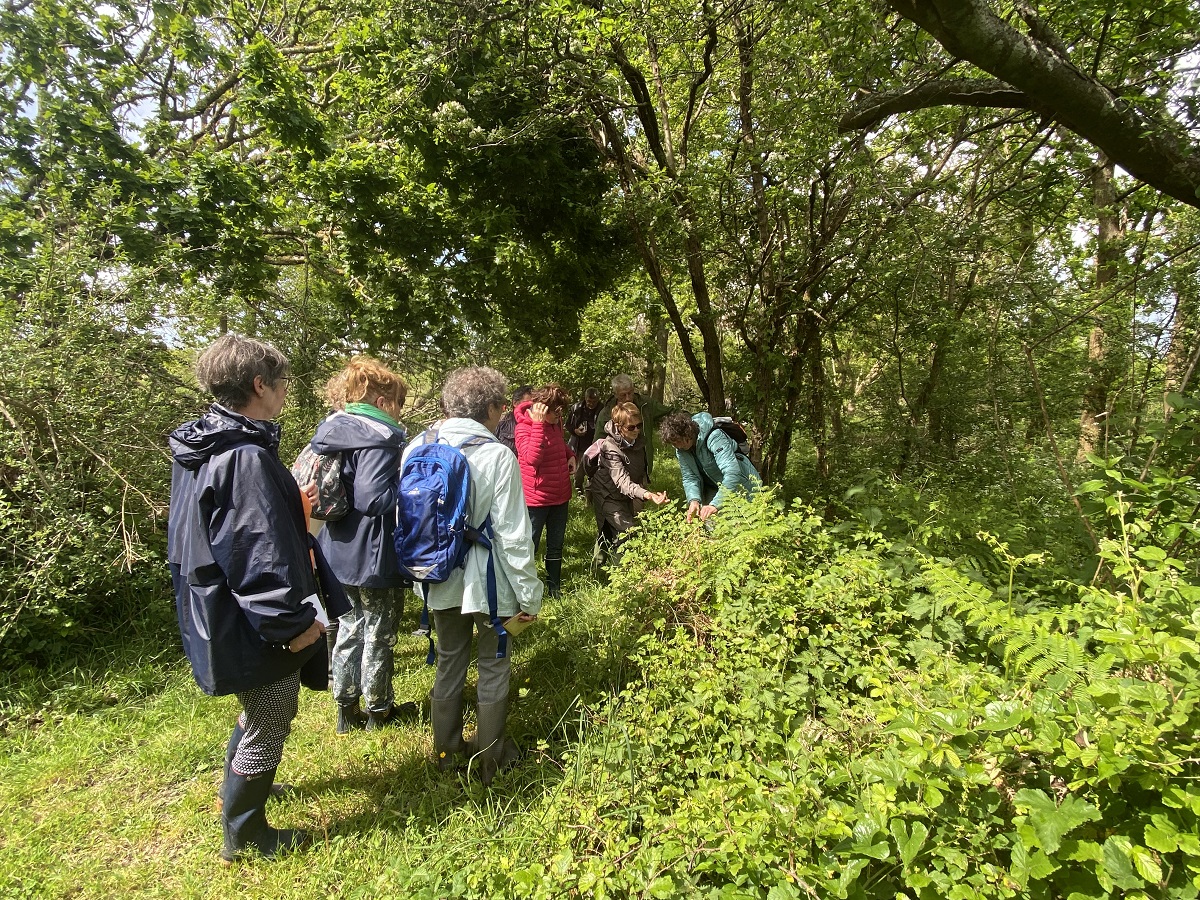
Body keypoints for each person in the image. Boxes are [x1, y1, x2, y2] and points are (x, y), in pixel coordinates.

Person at [168, 334, 324, 863]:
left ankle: (245, 799)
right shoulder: (244, 456)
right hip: (250, 613)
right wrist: (290, 623)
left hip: (217, 603)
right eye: (280, 385)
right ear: (260, 384)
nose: (284, 394)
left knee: (256, 709)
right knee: (270, 713)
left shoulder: (204, 443)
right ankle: (246, 831)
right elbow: (258, 553)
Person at [405, 366, 543, 784]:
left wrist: (419, 581)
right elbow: (514, 537)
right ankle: (491, 759)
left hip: (436, 576)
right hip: (489, 585)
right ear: (493, 408)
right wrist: (530, 596)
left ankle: (447, 754)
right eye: (503, 406)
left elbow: (408, 521)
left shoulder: (417, 445)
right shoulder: (498, 455)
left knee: (449, 663)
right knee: (494, 666)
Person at [310, 357, 413, 733]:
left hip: (336, 546)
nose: (399, 410)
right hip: (373, 550)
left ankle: (344, 709)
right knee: (379, 632)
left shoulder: (333, 427)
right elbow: (372, 498)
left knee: (348, 627)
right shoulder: (380, 435)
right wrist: (408, 491)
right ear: (384, 401)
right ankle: (378, 710)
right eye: (399, 402)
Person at [589, 401, 668, 574]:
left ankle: (600, 571)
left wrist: (644, 488)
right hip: (607, 494)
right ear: (619, 427)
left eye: (639, 426)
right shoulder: (609, 448)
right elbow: (622, 482)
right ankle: (618, 578)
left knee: (611, 532)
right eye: (631, 427)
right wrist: (647, 495)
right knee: (626, 531)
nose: (637, 430)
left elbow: (639, 469)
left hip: (627, 494)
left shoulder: (638, 440)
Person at [514, 384, 574, 597]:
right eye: (555, 411)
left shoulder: (555, 424)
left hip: (560, 495)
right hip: (536, 500)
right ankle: (524, 590)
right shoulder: (523, 427)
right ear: (542, 408)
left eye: (561, 412)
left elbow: (559, 443)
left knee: (556, 545)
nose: (559, 416)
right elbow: (532, 458)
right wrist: (538, 425)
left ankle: (554, 588)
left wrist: (570, 455)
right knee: (530, 545)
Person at [660, 411, 761, 522]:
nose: (677, 446)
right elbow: (690, 477)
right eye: (673, 444)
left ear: (687, 435)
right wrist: (694, 500)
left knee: (749, 524)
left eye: (678, 442)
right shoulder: (681, 450)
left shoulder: (714, 437)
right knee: (713, 526)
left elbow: (732, 472)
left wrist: (715, 504)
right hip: (714, 487)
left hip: (743, 486)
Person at [593, 374, 671, 476]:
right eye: (623, 395)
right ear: (615, 394)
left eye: (630, 393)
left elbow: (669, 412)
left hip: (641, 467)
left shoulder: (645, 405)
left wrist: (695, 418)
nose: (628, 398)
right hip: (616, 468)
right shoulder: (606, 413)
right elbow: (597, 444)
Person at [566, 387, 601, 492]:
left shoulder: (602, 410)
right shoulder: (576, 408)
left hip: (596, 446)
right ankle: (579, 492)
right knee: (578, 474)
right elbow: (568, 425)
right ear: (585, 398)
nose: (591, 404)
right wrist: (575, 431)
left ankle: (591, 495)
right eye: (589, 401)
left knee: (594, 473)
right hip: (579, 446)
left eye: (594, 402)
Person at [495, 384, 531, 454]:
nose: (530, 408)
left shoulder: (538, 425)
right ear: (515, 403)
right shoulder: (501, 423)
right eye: (527, 404)